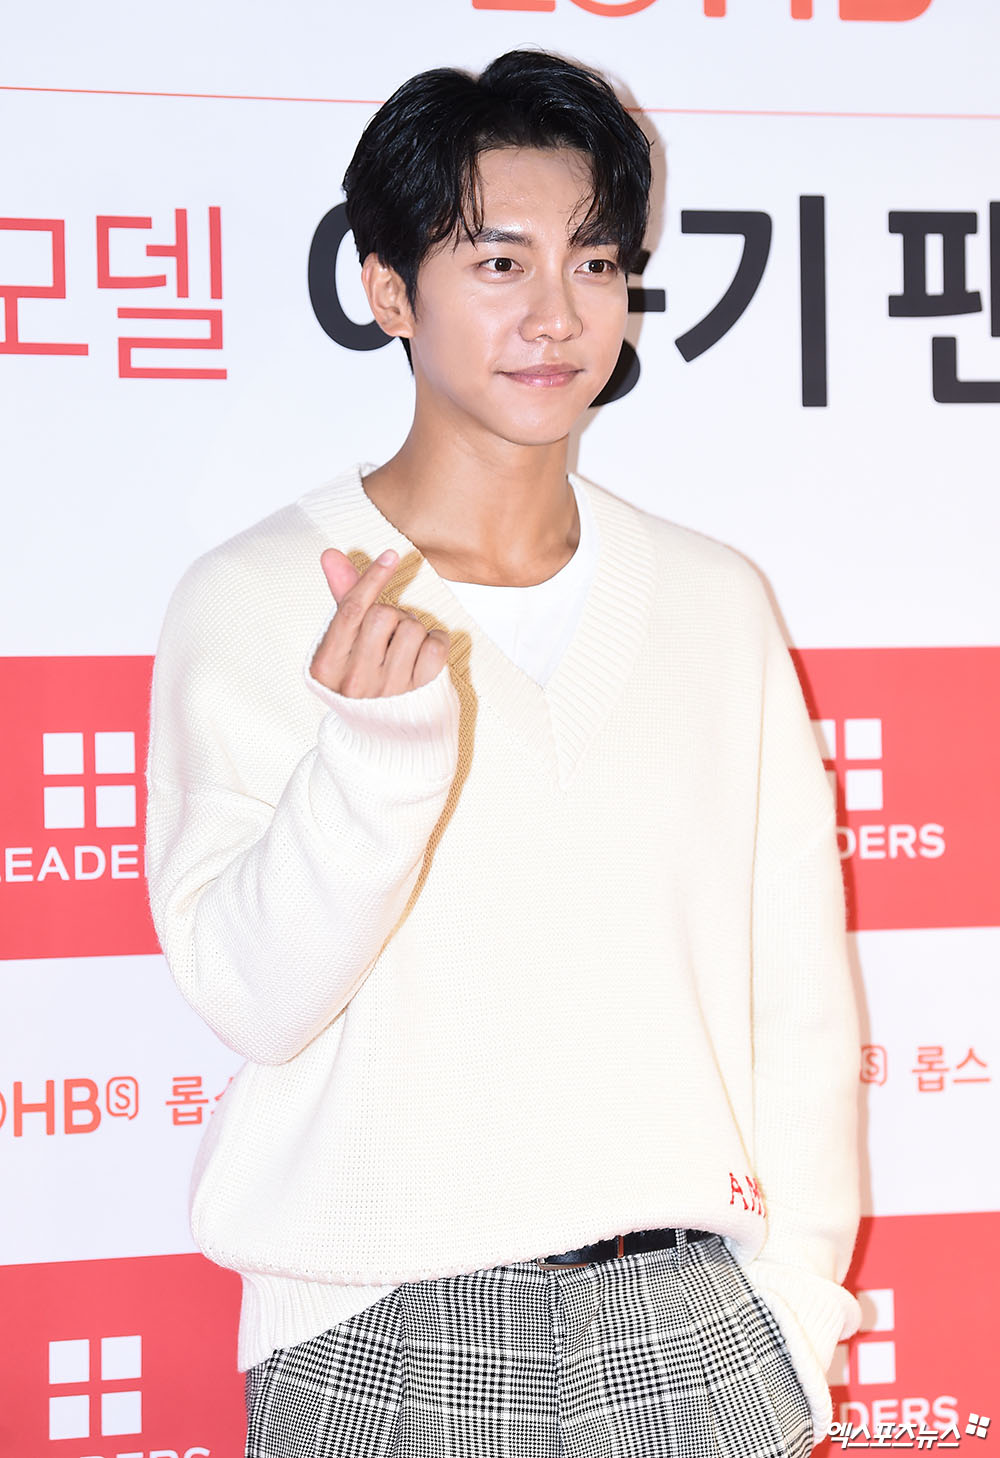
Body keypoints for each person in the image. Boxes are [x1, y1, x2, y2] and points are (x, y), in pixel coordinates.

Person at [145, 48, 862, 1458]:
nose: (556, 314)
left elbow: (802, 998)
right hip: (385, 1326)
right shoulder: (254, 598)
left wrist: (796, 1313)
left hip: (694, 1323)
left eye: (597, 263)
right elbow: (249, 994)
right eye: (499, 261)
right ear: (388, 289)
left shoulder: (716, 601)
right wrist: (375, 764)